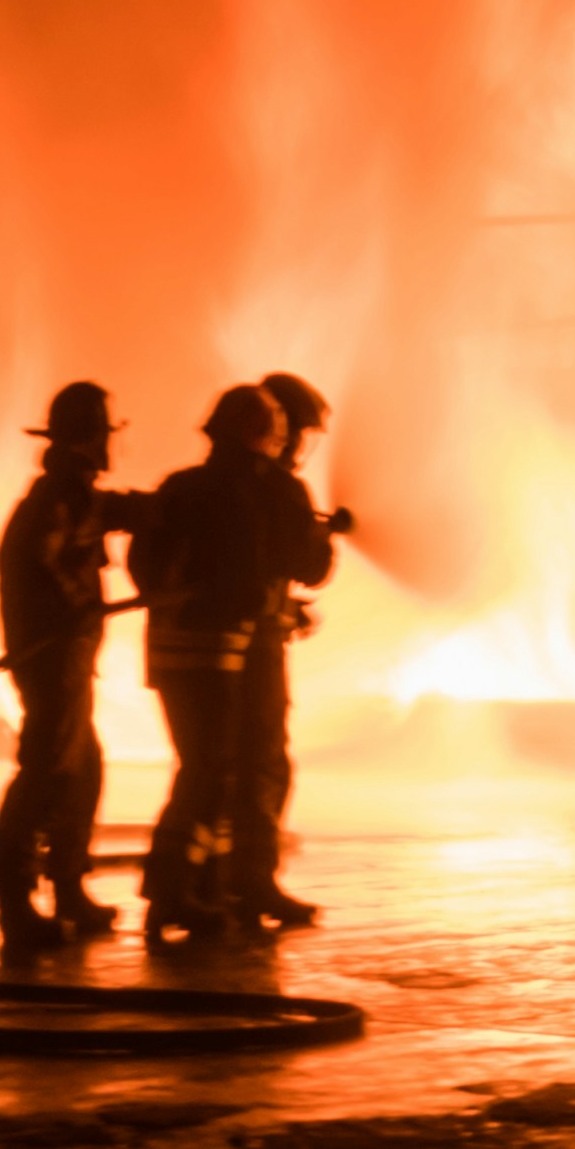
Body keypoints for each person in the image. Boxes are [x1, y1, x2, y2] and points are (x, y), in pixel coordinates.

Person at [123, 387, 284, 944]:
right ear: (258, 439)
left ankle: (196, 888)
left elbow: (141, 562)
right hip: (215, 655)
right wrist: (271, 607)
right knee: (209, 772)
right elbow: (245, 580)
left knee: (202, 768)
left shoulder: (179, 486)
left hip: (167, 652)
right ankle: (170, 891)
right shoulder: (238, 497)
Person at [0, 385, 142, 946]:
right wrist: (74, 616)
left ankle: (69, 887)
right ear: (92, 436)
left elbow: (108, 512)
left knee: (83, 768)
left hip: (65, 658)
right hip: (53, 659)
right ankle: (14, 900)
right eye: (105, 433)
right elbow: (52, 560)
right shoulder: (58, 499)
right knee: (48, 769)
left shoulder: (68, 495)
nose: (109, 447)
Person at [228, 369, 356, 932]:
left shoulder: (212, 482)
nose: (300, 446)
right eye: (298, 432)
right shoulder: (277, 489)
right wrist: (325, 534)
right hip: (253, 652)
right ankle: (252, 883)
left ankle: (205, 886)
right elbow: (310, 565)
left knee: (214, 768)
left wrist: (285, 606)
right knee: (263, 764)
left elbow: (242, 569)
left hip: (212, 648)